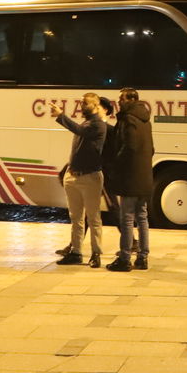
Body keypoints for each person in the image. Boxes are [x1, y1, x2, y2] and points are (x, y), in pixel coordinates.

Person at [52, 93, 107, 267]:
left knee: (93, 217)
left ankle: (96, 253)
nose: (81, 105)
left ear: (95, 105)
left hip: (90, 177)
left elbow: (80, 131)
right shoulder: (87, 122)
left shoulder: (98, 124)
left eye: (85, 103)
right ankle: (76, 252)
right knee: (76, 217)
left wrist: (61, 116)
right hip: (74, 176)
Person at [106, 88, 154, 272]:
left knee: (126, 218)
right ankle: (143, 257)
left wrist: (116, 162)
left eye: (121, 98)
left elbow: (129, 147)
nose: (118, 101)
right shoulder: (145, 119)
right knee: (142, 217)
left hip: (130, 176)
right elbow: (151, 149)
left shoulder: (128, 119)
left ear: (132, 99)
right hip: (144, 176)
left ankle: (125, 258)